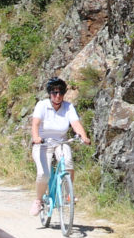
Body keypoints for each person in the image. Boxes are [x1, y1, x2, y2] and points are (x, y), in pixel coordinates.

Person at [29, 77, 89, 216]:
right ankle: (38, 201)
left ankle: (69, 194)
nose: (58, 96)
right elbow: (35, 124)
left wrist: (83, 136)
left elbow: (76, 124)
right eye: (54, 92)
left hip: (61, 142)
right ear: (50, 93)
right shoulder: (42, 105)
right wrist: (36, 138)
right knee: (44, 174)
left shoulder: (68, 107)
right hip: (43, 143)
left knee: (68, 164)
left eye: (61, 92)